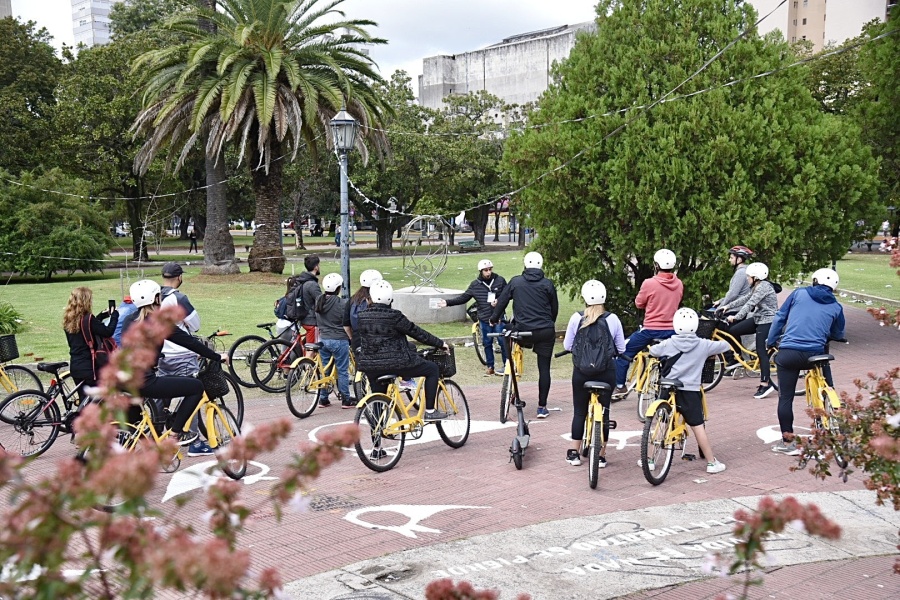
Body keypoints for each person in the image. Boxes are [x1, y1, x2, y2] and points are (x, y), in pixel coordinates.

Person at [122, 279, 227, 446]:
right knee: (196, 387)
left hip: (124, 379)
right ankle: (176, 434)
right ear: (157, 299)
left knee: (142, 418)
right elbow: (189, 342)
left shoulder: (128, 320)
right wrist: (216, 356)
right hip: (145, 380)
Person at [766, 268, 845, 456]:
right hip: (815, 355)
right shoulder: (836, 306)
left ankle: (788, 442)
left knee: (786, 398)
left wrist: (770, 341)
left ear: (815, 280)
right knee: (827, 376)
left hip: (789, 354)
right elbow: (838, 333)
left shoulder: (799, 293)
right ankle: (832, 405)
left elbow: (780, 318)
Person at [649, 308, 730, 474]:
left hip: (668, 388)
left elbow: (653, 351)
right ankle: (711, 463)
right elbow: (725, 345)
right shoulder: (703, 344)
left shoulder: (669, 343)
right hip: (689, 390)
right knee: (697, 426)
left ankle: (650, 460)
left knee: (661, 423)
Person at [356, 281, 451, 420]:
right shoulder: (395, 316)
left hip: (369, 364)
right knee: (432, 369)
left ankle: (377, 428)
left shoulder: (362, 316)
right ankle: (430, 411)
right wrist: (440, 343)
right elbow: (417, 333)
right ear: (390, 299)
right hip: (397, 362)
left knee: (378, 394)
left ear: (370, 298)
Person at [562, 280, 626, 467]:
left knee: (579, 411)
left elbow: (567, 346)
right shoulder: (612, 319)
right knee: (604, 412)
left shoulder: (576, 318)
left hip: (582, 373)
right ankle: (601, 454)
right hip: (606, 373)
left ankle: (574, 452)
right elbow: (621, 348)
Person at [490, 251, 558, 419]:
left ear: (525, 265)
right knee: (544, 369)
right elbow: (554, 309)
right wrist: (549, 323)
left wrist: (493, 319)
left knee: (512, 342)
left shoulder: (515, 282)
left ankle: (511, 384)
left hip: (522, 330)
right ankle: (542, 407)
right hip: (544, 330)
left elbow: (502, 302)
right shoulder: (548, 284)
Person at [613, 249, 683, 397]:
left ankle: (620, 385)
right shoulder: (679, 283)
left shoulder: (649, 283)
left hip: (650, 329)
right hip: (672, 330)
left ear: (656, 265)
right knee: (669, 358)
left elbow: (639, 303)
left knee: (623, 352)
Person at [157, 262, 210, 456]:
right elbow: (195, 324)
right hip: (183, 353)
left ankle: (160, 433)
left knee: (163, 396)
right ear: (179, 277)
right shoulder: (179, 298)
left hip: (162, 354)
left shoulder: (156, 297)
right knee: (192, 393)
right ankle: (193, 440)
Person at [437, 258, 508, 376]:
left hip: (498, 318)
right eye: (485, 270)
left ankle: (507, 365)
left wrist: (499, 301)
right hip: (485, 319)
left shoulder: (500, 281)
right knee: (487, 343)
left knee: (502, 341)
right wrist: (447, 303)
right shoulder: (475, 285)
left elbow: (507, 295)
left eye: (490, 269)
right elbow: (464, 298)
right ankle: (490, 366)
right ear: (481, 271)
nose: (488, 272)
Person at [721, 262, 780, 399]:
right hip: (758, 318)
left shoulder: (763, 287)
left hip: (767, 321)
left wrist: (736, 317)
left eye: (749, 277)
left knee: (761, 351)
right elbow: (745, 298)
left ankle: (765, 384)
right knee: (734, 330)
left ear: (756, 277)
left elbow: (750, 304)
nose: (747, 279)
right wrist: (727, 307)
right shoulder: (757, 286)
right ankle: (738, 359)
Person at [63, 287, 118, 400]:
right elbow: (107, 332)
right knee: (98, 400)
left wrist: (102, 316)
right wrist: (114, 316)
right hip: (89, 366)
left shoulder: (68, 319)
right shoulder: (88, 319)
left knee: (85, 400)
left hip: (75, 364)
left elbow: (87, 328)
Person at [315, 273, 352, 408]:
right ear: (338, 288)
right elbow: (347, 321)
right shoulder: (342, 303)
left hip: (323, 339)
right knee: (342, 370)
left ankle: (323, 398)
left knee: (325, 369)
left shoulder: (319, 300)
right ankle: (346, 399)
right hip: (339, 339)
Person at [345, 269, 382, 354]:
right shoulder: (379, 299)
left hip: (357, 340)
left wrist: (352, 337)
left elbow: (346, 326)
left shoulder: (353, 299)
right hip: (375, 339)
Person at [712, 245, 754, 313]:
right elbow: (740, 294)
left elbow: (733, 294)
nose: (729, 260)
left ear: (739, 259)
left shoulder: (741, 272)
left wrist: (719, 308)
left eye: (731, 258)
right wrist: (720, 301)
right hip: (740, 307)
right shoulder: (745, 270)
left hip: (736, 309)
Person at [295, 255, 322, 348]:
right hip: (311, 320)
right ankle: (307, 362)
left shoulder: (303, 280)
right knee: (311, 349)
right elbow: (320, 301)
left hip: (304, 317)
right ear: (316, 267)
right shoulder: (312, 284)